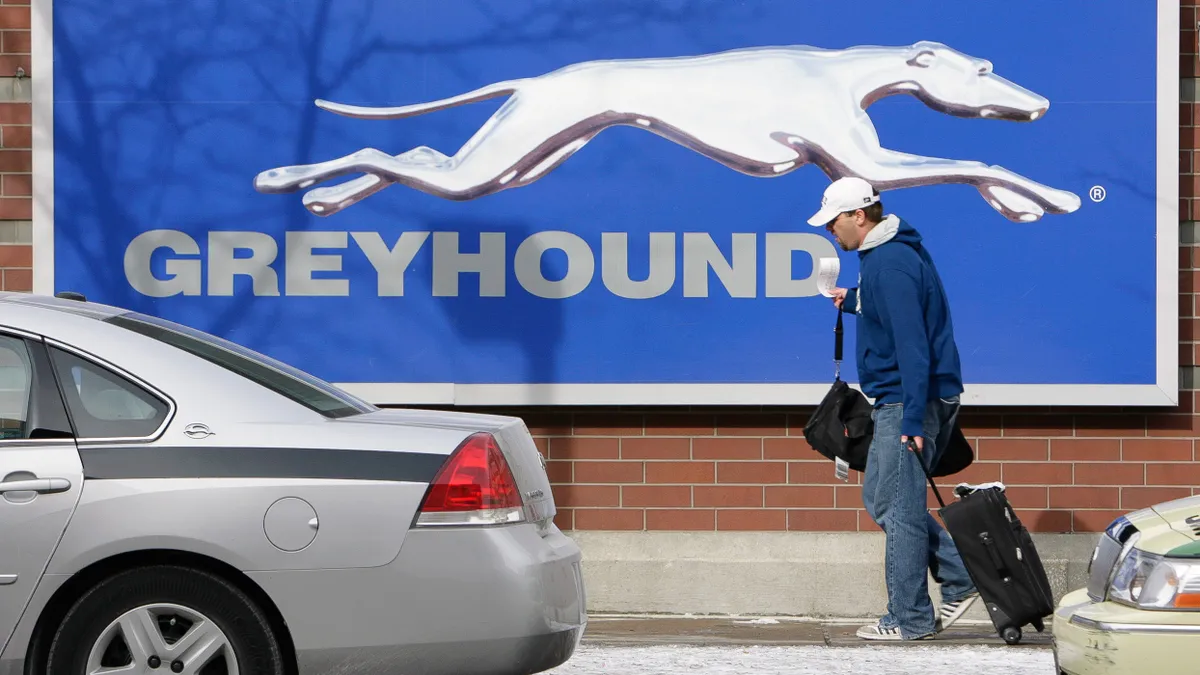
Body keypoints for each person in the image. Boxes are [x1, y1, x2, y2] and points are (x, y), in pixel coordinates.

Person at [806, 176, 979, 641]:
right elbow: (901, 311)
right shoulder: (886, 256)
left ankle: (909, 618)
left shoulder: (890, 264)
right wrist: (856, 299)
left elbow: (913, 345)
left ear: (858, 216)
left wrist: (910, 420)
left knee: (900, 510)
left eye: (833, 221)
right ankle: (962, 575)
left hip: (908, 398)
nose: (830, 231)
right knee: (881, 497)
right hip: (905, 395)